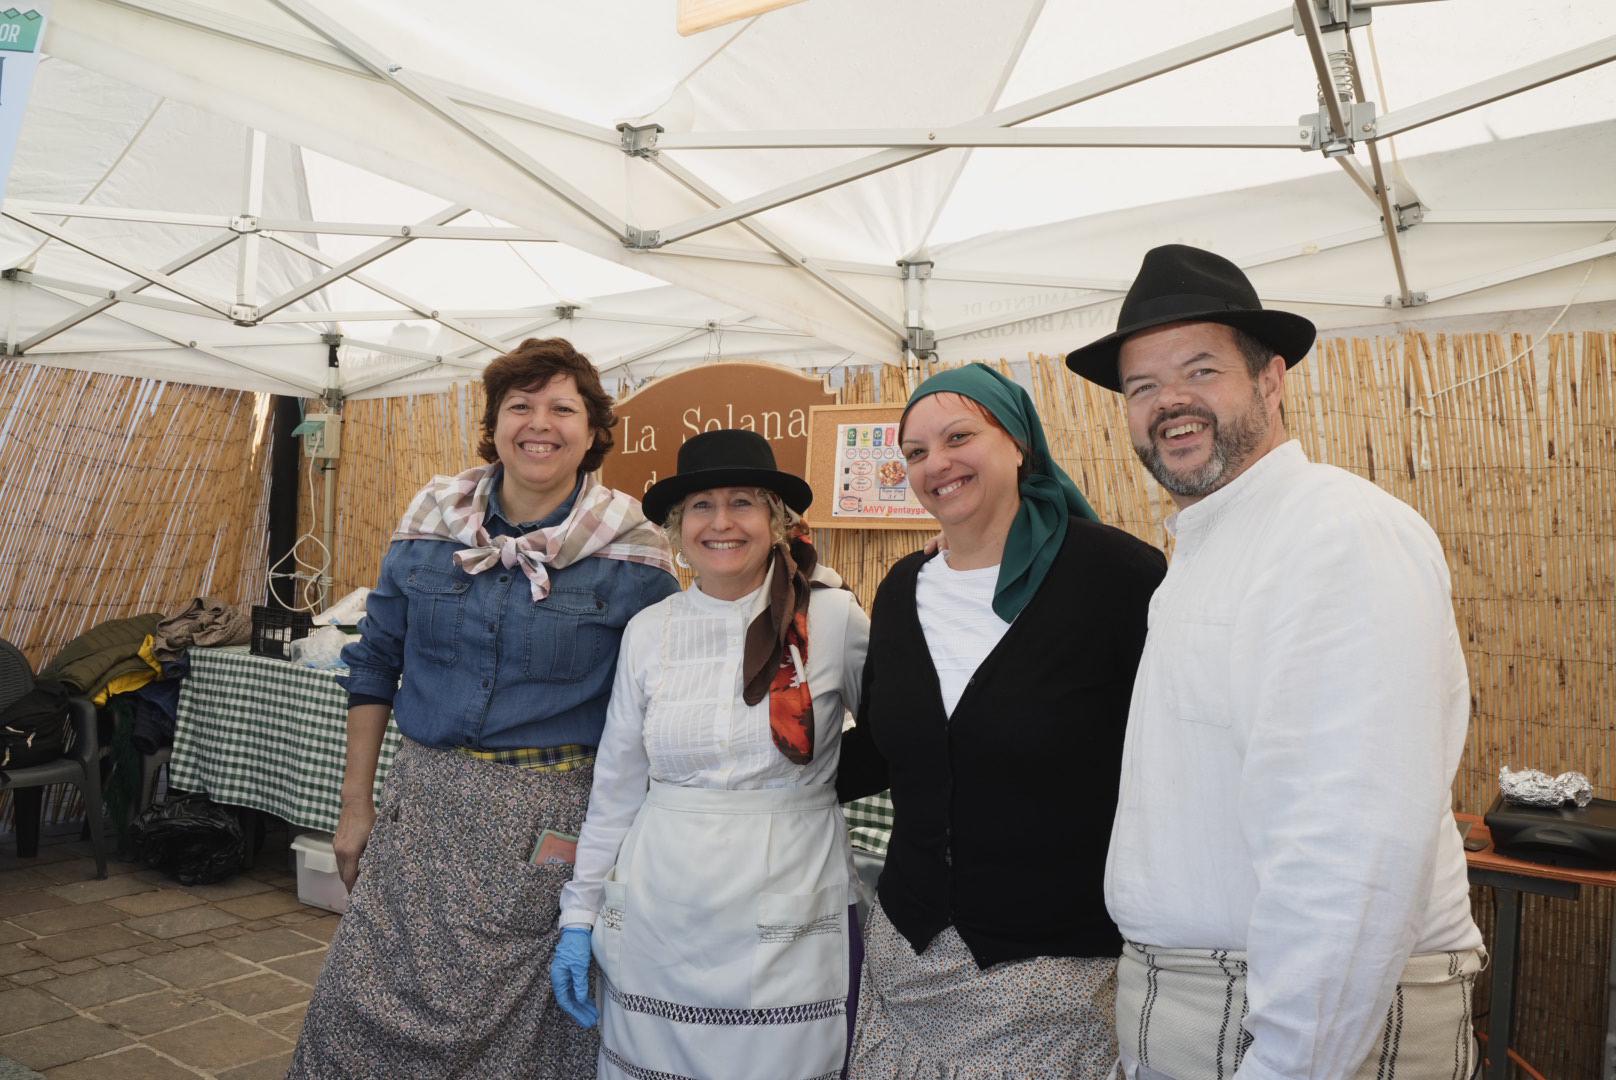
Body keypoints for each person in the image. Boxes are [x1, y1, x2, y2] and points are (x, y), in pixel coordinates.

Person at [1065, 244, 1485, 1080]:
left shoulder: (1334, 534)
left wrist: (1289, 1064)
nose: (1169, 403)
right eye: (1141, 386)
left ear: (1272, 378)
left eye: (1200, 369)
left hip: (1291, 1025)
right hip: (1213, 1009)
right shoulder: (1213, 549)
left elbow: (1349, 849)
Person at [289, 338, 680, 1078]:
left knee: (520, 1034)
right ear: (494, 423)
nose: (540, 423)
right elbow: (374, 666)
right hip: (423, 809)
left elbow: (654, 708)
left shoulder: (635, 552)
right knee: (361, 1010)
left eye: (562, 407)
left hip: (548, 821)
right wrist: (354, 806)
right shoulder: (428, 526)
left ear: (595, 431)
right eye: (520, 405)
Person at [836, 364, 1166, 1078]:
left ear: (1018, 442)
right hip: (905, 955)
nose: (937, 465)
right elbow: (901, 749)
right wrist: (761, 766)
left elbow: (1173, 752)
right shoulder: (901, 590)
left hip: (1052, 971)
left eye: (959, 437)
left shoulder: (1116, 578)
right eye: (916, 453)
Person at [551, 429, 871, 1080]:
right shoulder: (649, 631)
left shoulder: (833, 621)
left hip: (788, 896)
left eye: (743, 502)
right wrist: (580, 912)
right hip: (663, 909)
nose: (721, 522)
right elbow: (616, 788)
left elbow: (902, 739)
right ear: (675, 526)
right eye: (701, 506)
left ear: (777, 521)